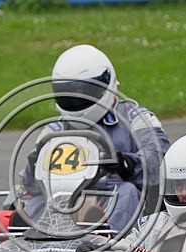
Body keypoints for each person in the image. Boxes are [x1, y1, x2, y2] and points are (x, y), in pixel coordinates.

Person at [21, 44, 170, 233]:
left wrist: (126, 163)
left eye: (83, 93)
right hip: (64, 200)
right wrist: (33, 165)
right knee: (35, 200)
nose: (75, 100)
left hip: (115, 194)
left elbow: (159, 160)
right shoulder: (54, 130)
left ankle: (106, 238)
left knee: (126, 192)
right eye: (68, 94)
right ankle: (28, 239)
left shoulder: (135, 118)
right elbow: (29, 185)